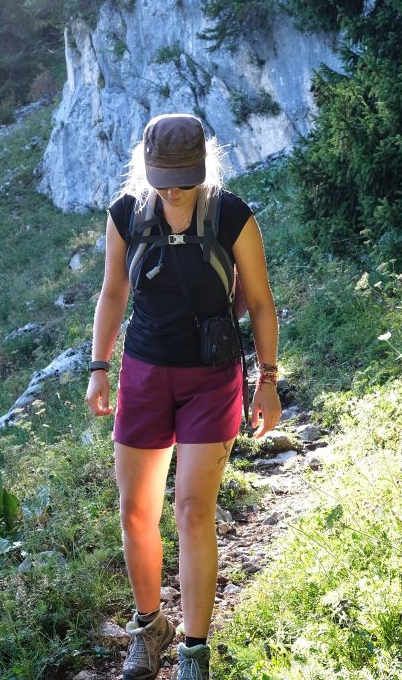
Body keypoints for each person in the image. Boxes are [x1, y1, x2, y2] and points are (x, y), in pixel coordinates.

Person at [85, 113, 281, 680]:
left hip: (211, 376)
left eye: (184, 177)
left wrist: (266, 380)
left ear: (205, 166)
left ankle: (194, 650)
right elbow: (113, 291)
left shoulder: (232, 215)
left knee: (193, 510)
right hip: (144, 374)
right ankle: (150, 630)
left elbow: (261, 302)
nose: (172, 188)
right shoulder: (125, 215)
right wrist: (99, 366)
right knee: (135, 512)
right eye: (163, 177)